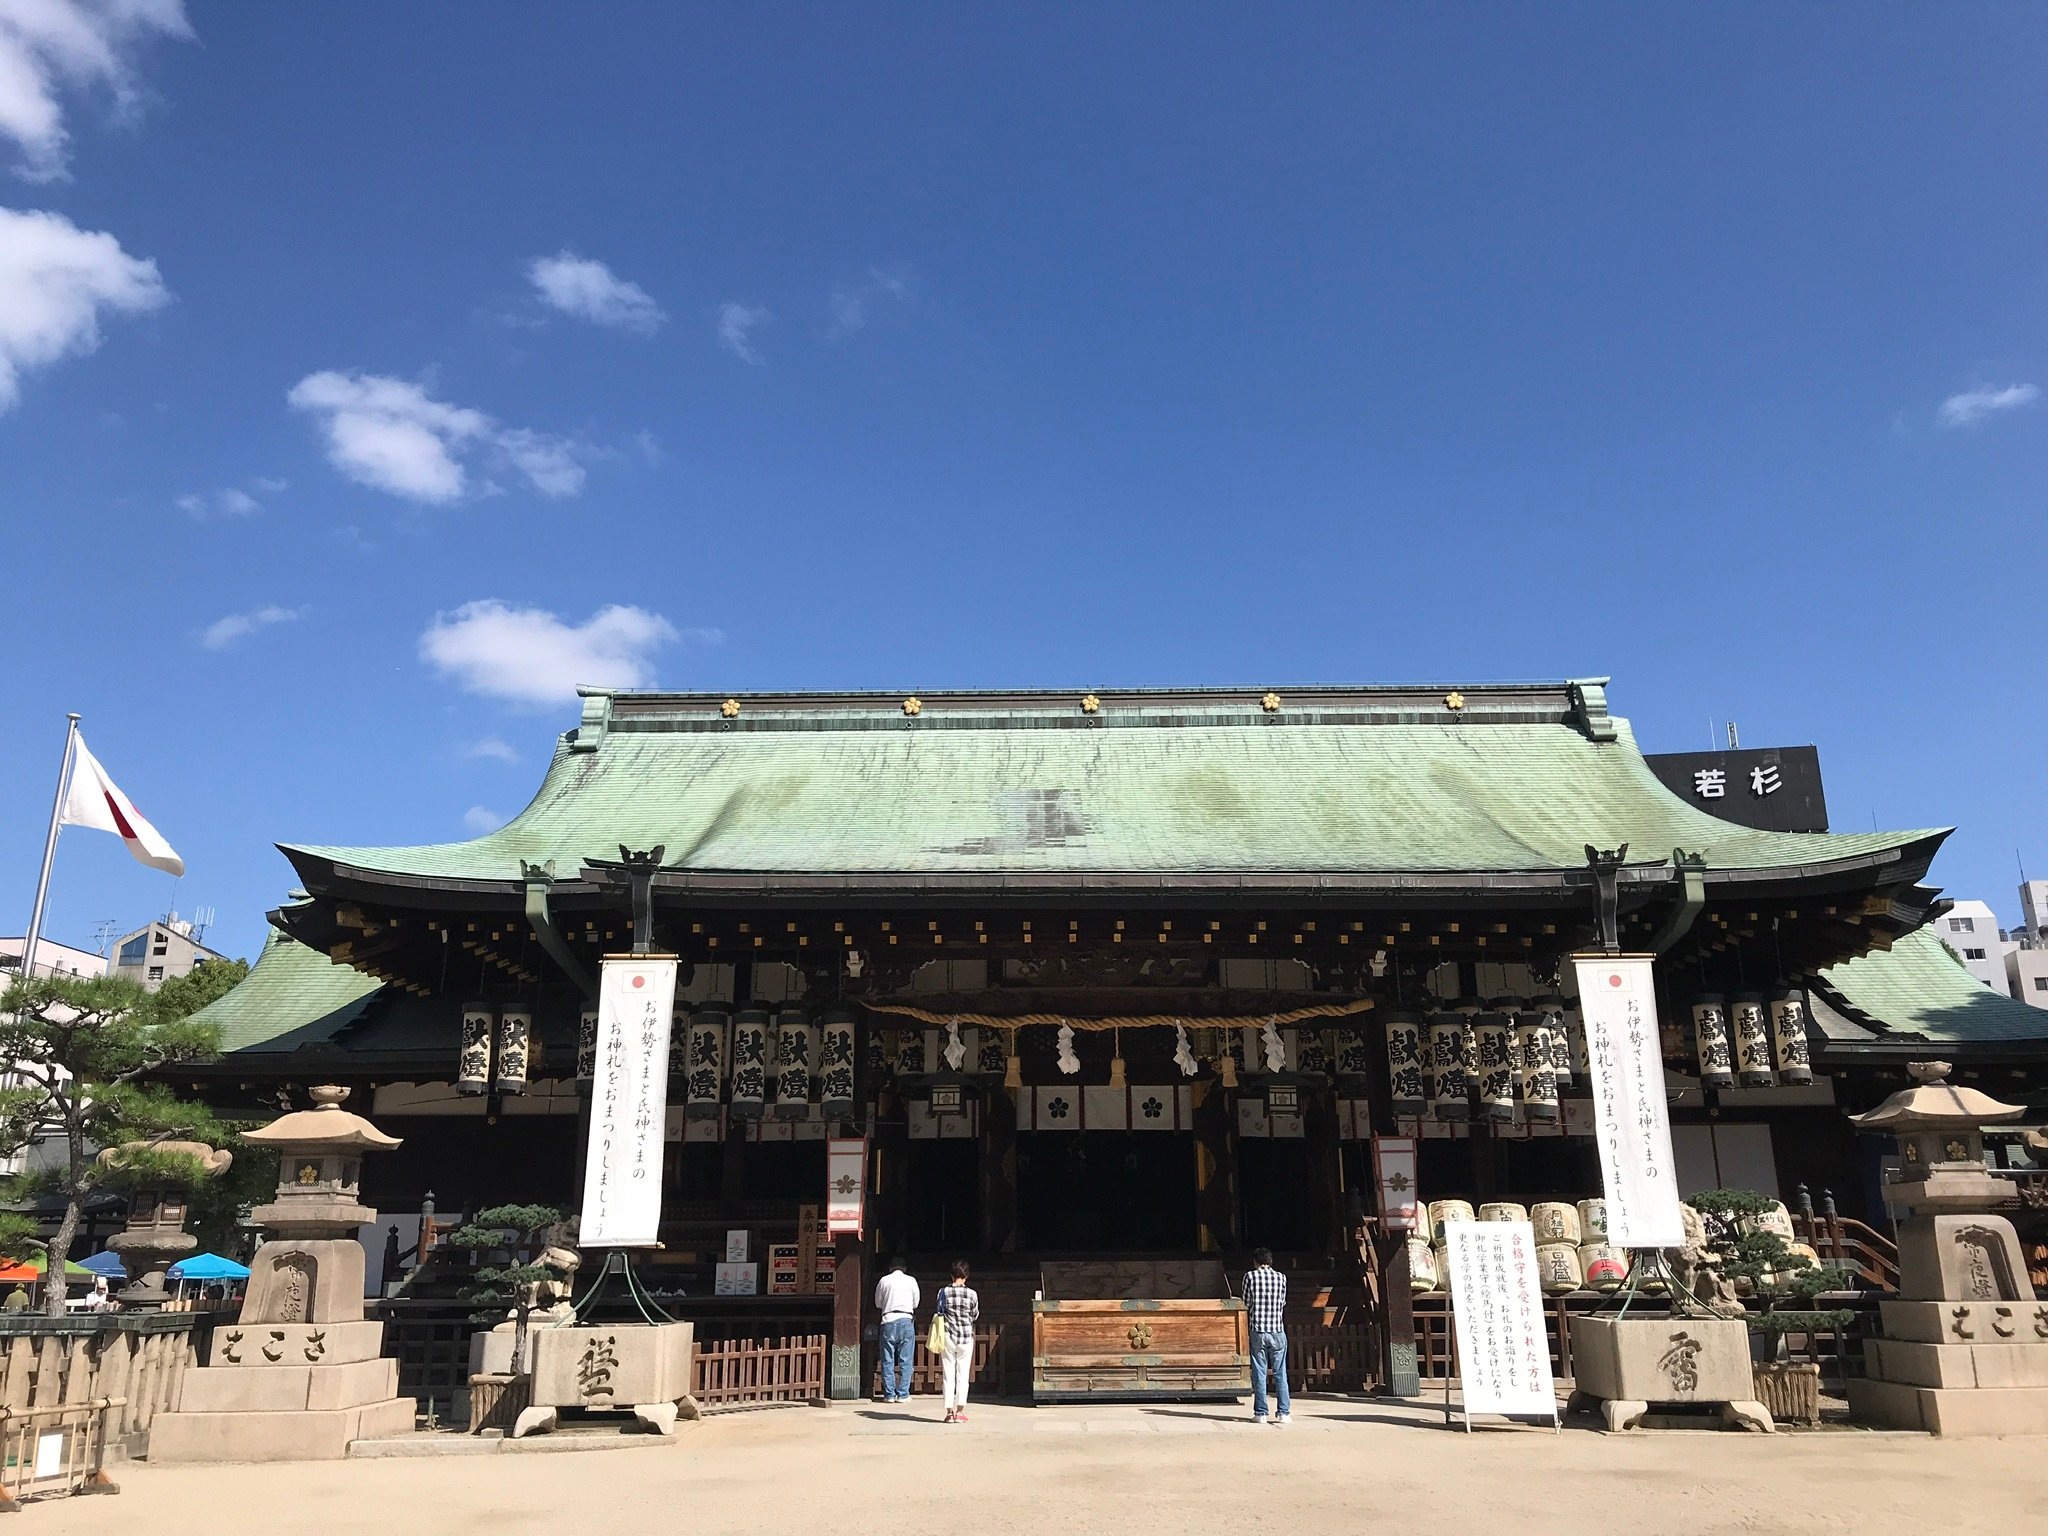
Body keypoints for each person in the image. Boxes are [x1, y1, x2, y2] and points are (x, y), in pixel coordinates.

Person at [1241, 1247, 1290, 1425]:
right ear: (1270, 1261)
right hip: (1277, 1329)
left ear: (1255, 1261)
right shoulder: (1281, 1277)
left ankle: (1261, 1412)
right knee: (1280, 1372)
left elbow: (1246, 1302)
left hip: (1258, 1329)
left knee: (1260, 1372)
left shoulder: (1250, 1276)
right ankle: (1284, 1412)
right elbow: (1283, 1302)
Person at [935, 1259, 979, 1424]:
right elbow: (974, 1315)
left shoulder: (943, 1292)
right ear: (966, 1276)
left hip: (947, 1336)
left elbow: (939, 1311)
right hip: (966, 1337)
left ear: (951, 1275)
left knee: (948, 1374)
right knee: (963, 1374)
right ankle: (960, 1412)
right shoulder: (972, 1294)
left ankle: (948, 1412)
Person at [873, 1257, 919, 1404]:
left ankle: (889, 1394)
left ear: (890, 1268)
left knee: (887, 1359)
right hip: (906, 1318)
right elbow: (915, 1303)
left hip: (888, 1319)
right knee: (906, 1359)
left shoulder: (884, 1280)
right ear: (904, 1268)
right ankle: (903, 1394)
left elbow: (878, 1303)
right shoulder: (911, 1280)